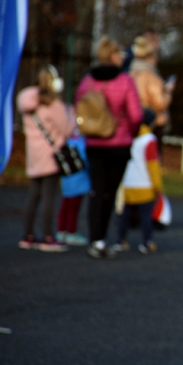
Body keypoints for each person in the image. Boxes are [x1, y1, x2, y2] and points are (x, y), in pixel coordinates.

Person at [76, 36, 143, 259]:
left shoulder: (88, 80)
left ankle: (95, 239)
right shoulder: (124, 81)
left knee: (96, 191)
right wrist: (128, 132)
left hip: (94, 142)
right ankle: (103, 239)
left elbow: (80, 107)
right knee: (110, 193)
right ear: (112, 55)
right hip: (118, 144)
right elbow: (135, 115)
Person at [16, 65, 75, 252]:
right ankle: (48, 237)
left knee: (34, 195)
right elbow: (68, 128)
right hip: (50, 156)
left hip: (34, 155)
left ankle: (28, 235)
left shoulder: (29, 104)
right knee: (49, 197)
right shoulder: (53, 105)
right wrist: (71, 114)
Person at [112, 109, 163, 255]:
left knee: (125, 214)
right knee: (146, 215)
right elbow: (153, 165)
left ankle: (119, 240)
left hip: (129, 181)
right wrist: (157, 185)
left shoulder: (129, 136)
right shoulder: (149, 140)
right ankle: (146, 242)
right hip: (144, 183)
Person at [129, 35, 173, 155]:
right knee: (152, 160)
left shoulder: (130, 73)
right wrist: (168, 91)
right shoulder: (151, 76)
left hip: (134, 120)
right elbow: (159, 103)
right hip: (152, 122)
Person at [56, 123, 91, 246]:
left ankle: (61, 231)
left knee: (65, 207)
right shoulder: (82, 142)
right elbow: (86, 160)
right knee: (74, 208)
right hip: (79, 179)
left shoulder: (66, 140)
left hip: (66, 179)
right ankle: (71, 232)